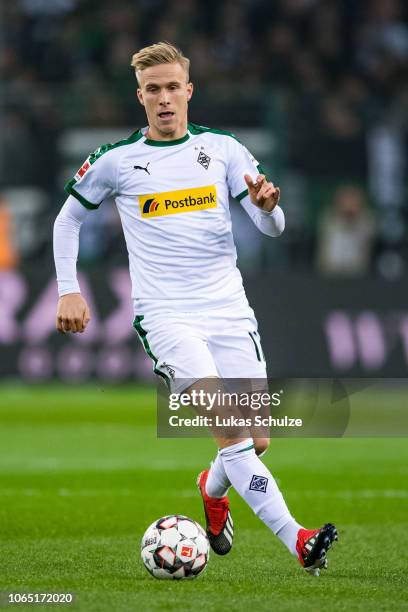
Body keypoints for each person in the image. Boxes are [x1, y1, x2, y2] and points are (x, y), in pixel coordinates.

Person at [53, 42, 337, 576]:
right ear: (140, 97)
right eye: (152, 90)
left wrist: (269, 211)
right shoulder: (117, 159)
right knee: (231, 429)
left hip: (229, 309)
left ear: (189, 90)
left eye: (172, 87)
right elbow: (67, 219)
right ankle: (300, 541)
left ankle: (211, 489)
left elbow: (270, 225)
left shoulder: (224, 149)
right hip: (166, 315)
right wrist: (68, 288)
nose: (164, 99)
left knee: (256, 440)